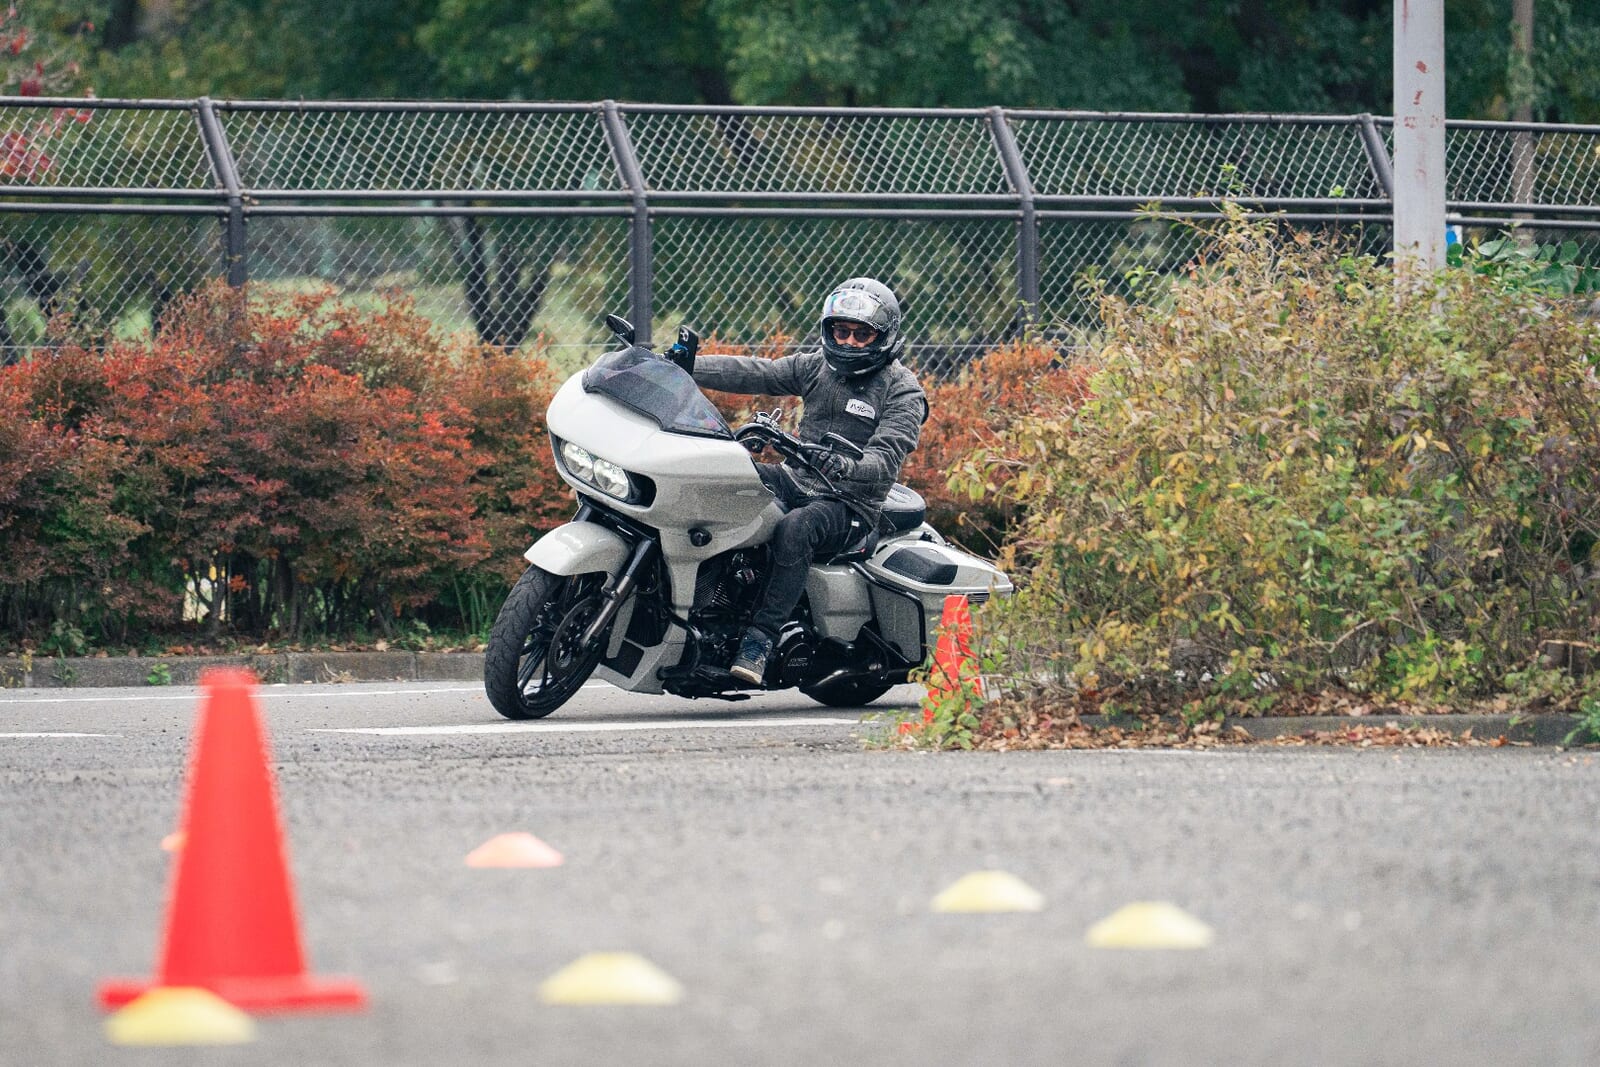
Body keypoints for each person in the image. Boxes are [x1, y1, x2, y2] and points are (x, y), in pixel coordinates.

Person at [675, 277, 928, 685]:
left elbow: (885, 458)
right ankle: (701, 607)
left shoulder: (903, 391)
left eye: (861, 335)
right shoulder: (816, 367)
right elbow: (758, 372)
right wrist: (687, 366)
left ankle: (759, 641)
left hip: (851, 504)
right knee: (722, 478)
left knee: (796, 528)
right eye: (841, 331)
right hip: (797, 480)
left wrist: (846, 465)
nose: (848, 342)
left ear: (884, 337)